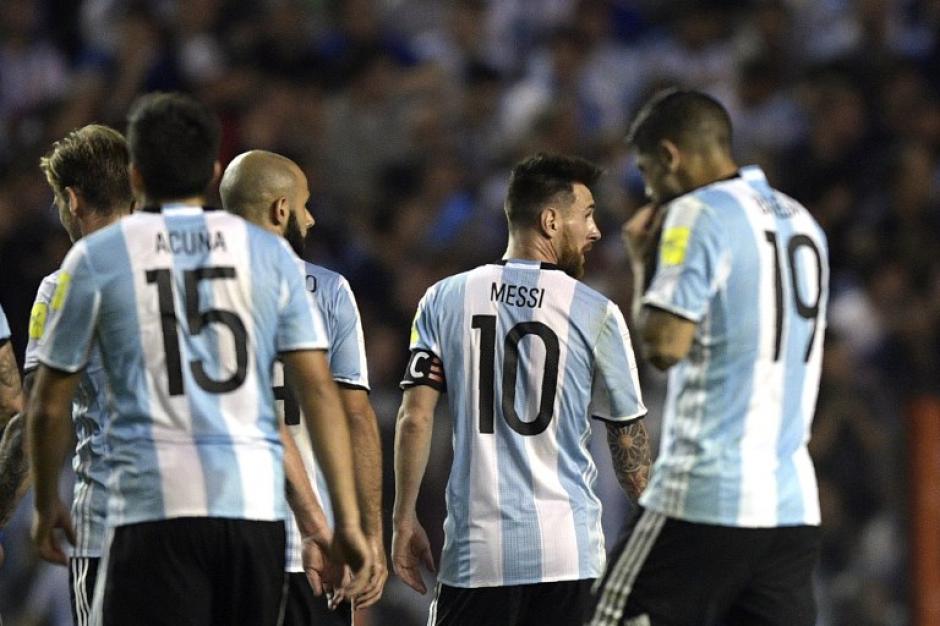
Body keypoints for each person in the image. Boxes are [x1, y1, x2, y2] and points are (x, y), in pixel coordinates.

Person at [25, 92, 371, 626]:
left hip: (146, 512)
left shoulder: (96, 259)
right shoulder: (267, 255)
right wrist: (334, 520)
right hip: (249, 513)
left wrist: (48, 503)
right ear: (212, 171)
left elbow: (46, 408)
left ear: (136, 176)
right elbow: (317, 394)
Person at [589, 89, 829, 626]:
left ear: (671, 157)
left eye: (647, 170)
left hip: (706, 494)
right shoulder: (803, 221)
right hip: (789, 505)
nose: (649, 188)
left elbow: (663, 347)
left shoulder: (697, 214)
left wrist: (643, 267)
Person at [392, 153, 650, 626]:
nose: (595, 231)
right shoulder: (599, 313)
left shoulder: (445, 297)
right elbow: (629, 450)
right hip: (568, 555)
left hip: (478, 554)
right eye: (587, 215)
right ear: (551, 220)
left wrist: (403, 517)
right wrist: (658, 541)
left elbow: (415, 417)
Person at [219, 149, 387, 624]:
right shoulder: (326, 291)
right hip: (311, 550)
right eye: (305, 204)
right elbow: (354, 416)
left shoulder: (193, 289)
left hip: (220, 539)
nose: (310, 219)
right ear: (280, 210)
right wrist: (368, 533)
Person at [26, 124, 133, 626]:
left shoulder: (62, 285)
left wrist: (44, 506)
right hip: (196, 515)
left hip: (107, 523)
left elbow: (41, 409)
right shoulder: (183, 267)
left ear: (72, 199)